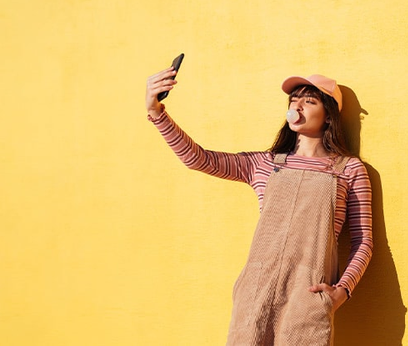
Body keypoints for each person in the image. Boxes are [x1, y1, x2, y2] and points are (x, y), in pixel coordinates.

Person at [145, 68, 372, 345]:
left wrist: (341, 292)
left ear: (329, 117)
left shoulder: (349, 170)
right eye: (294, 100)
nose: (297, 106)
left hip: (307, 297)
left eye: (310, 101)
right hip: (255, 291)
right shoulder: (263, 163)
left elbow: (363, 241)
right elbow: (198, 159)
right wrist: (157, 112)